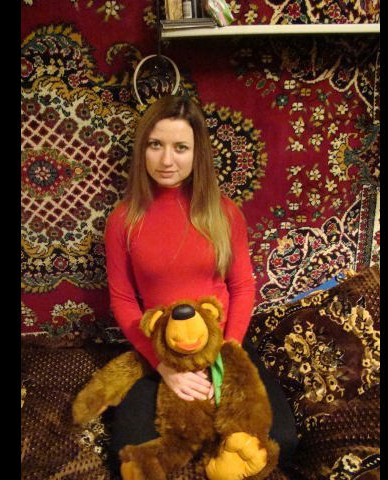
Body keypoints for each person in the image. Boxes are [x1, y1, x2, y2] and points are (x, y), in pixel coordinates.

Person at [104, 95, 298, 469]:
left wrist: (225, 355)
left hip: (222, 344)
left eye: (180, 147)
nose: (166, 160)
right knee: (126, 455)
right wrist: (165, 368)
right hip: (161, 350)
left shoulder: (224, 212)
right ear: (142, 149)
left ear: (197, 154)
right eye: (155, 144)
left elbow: (242, 287)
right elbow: (123, 300)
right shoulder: (122, 220)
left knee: (281, 443)